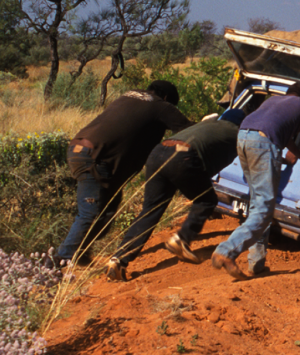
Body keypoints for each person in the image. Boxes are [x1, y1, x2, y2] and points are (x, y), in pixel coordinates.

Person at [211, 82, 300, 279]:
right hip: (263, 143)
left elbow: (286, 137)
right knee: (263, 209)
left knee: (258, 204)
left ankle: (256, 263)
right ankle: (226, 251)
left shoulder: (273, 101)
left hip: (243, 137)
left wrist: (299, 154)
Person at [56, 80, 192, 266]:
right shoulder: (161, 105)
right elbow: (188, 130)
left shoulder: (129, 95)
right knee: (91, 213)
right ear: (167, 98)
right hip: (96, 158)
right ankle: (61, 260)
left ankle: (81, 255)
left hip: (80, 148)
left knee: (108, 209)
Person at [104, 109, 247, 281]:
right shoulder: (236, 133)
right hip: (183, 157)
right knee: (207, 200)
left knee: (150, 211)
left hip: (159, 152)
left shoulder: (208, 124)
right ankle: (181, 239)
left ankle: (118, 259)